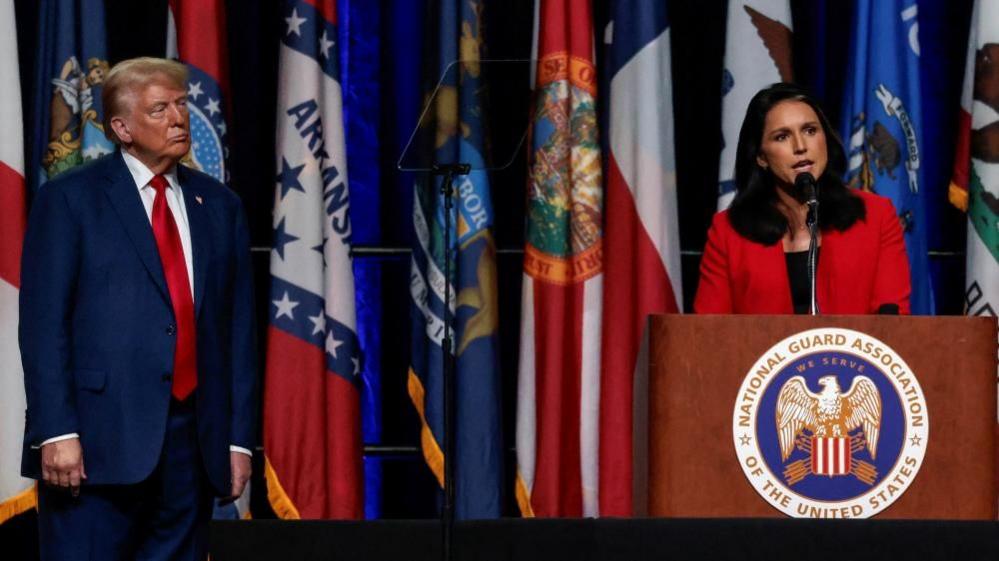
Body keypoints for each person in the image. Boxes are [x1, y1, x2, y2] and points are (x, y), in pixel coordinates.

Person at [20, 57, 257, 561]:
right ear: (122, 128)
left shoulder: (219, 206)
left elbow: (236, 332)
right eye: (160, 109)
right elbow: (43, 325)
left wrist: (237, 441)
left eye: (181, 105)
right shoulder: (69, 200)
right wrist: (57, 431)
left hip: (192, 445)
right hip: (94, 442)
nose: (178, 119)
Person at [694, 83, 911, 314]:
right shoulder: (728, 232)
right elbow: (709, 334)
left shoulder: (876, 216)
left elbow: (893, 323)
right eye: (782, 136)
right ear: (761, 157)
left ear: (825, 139)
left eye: (810, 130)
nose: (800, 146)